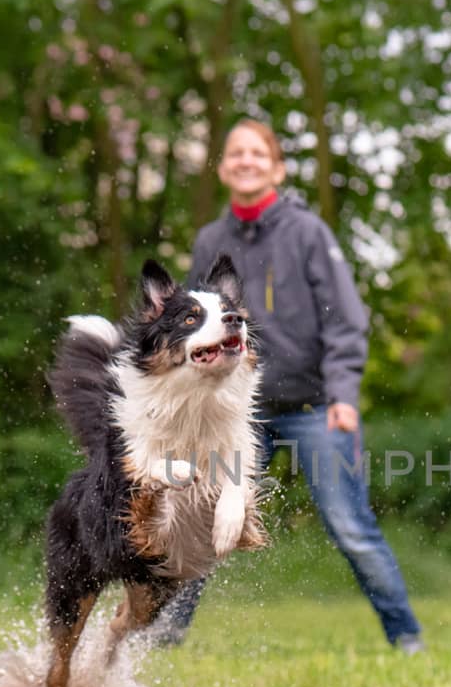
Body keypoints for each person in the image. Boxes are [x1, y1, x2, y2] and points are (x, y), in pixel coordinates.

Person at [164, 119, 423, 652]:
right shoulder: (210, 242)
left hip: (314, 407)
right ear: (222, 168)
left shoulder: (308, 233)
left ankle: (406, 638)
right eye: (235, 152)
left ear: (276, 167)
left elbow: (347, 320)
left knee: (351, 527)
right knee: (201, 522)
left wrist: (344, 397)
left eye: (258, 153)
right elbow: (191, 331)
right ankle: (162, 640)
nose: (246, 160)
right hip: (237, 412)